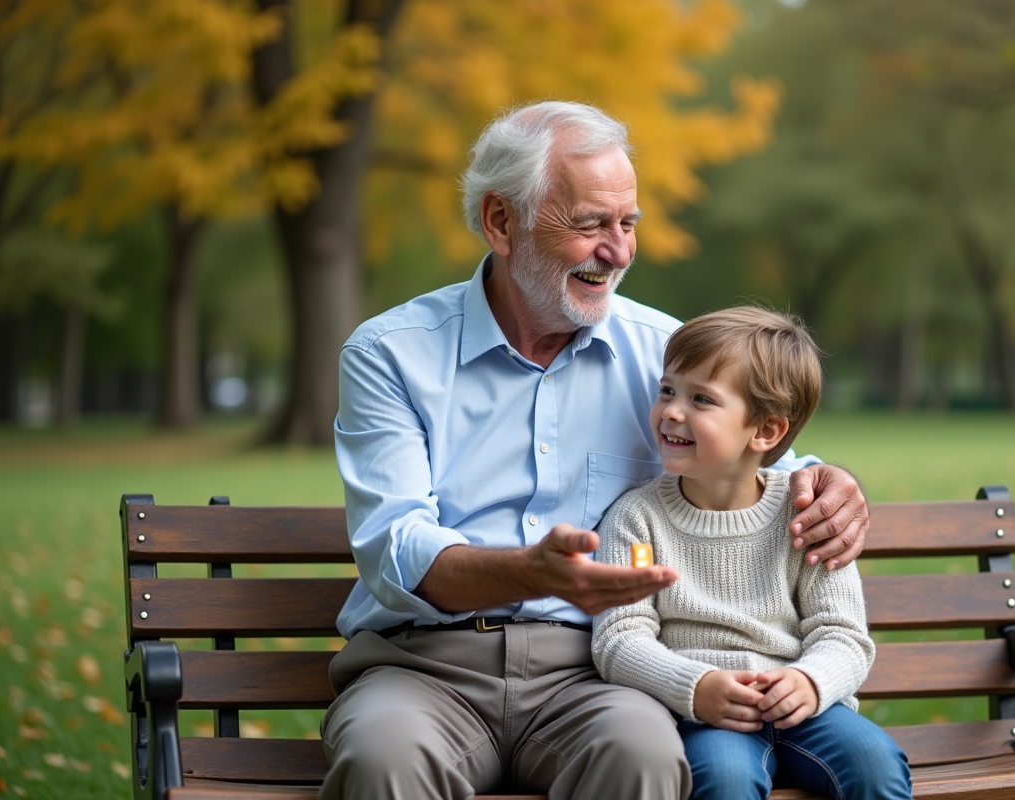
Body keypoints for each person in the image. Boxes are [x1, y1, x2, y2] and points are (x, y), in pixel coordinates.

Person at [322, 100, 870, 800]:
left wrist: (835, 485)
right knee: (381, 761)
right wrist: (534, 573)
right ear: (501, 223)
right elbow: (395, 548)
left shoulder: (663, 356)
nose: (618, 251)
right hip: (421, 666)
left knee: (641, 754)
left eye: (627, 223)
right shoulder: (391, 354)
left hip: (595, 672)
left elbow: (773, 462)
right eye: (590, 226)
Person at [592, 307, 911, 800]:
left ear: (764, 432)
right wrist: (696, 686)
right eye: (668, 390)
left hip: (807, 708)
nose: (672, 411)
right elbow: (620, 637)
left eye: (702, 399)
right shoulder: (638, 520)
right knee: (726, 779)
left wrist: (809, 681)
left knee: (875, 764)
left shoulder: (805, 515)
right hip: (708, 713)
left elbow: (843, 633)